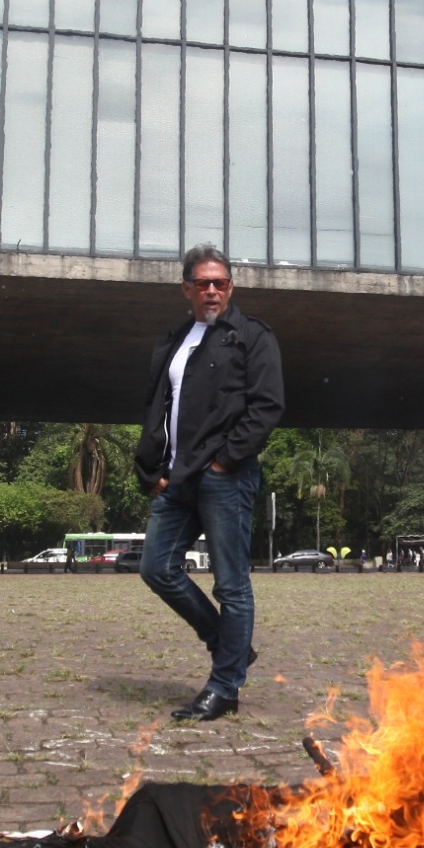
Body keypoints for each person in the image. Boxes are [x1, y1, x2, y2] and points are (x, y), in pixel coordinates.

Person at [135, 244, 285, 723]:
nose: (213, 290)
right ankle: (229, 645)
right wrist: (151, 469)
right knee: (157, 568)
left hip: (225, 478)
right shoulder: (175, 341)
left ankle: (225, 687)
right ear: (187, 288)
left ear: (231, 287)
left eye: (220, 282)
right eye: (203, 283)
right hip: (176, 479)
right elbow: (157, 408)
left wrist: (224, 462)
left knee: (232, 586)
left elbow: (267, 407)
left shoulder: (252, 337)